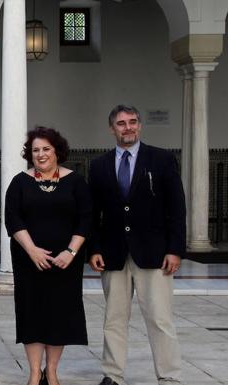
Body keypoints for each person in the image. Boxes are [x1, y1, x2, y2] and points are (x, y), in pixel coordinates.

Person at [88, 105, 185, 385]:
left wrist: (175, 249)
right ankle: (113, 374)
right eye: (121, 123)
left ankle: (169, 376)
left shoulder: (162, 159)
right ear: (112, 128)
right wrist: (94, 248)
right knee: (114, 319)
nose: (127, 127)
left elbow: (177, 208)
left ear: (140, 126)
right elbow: (93, 213)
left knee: (160, 319)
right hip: (113, 253)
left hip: (154, 253)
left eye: (132, 122)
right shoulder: (99, 165)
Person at [4, 127, 92, 385]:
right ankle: (34, 372)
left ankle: (51, 371)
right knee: (32, 313)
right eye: (35, 150)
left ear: (57, 151)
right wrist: (31, 250)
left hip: (65, 264)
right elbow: (13, 219)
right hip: (28, 262)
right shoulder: (20, 182)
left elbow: (86, 220)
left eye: (46, 149)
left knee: (59, 314)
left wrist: (71, 252)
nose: (40, 155)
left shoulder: (76, 182)